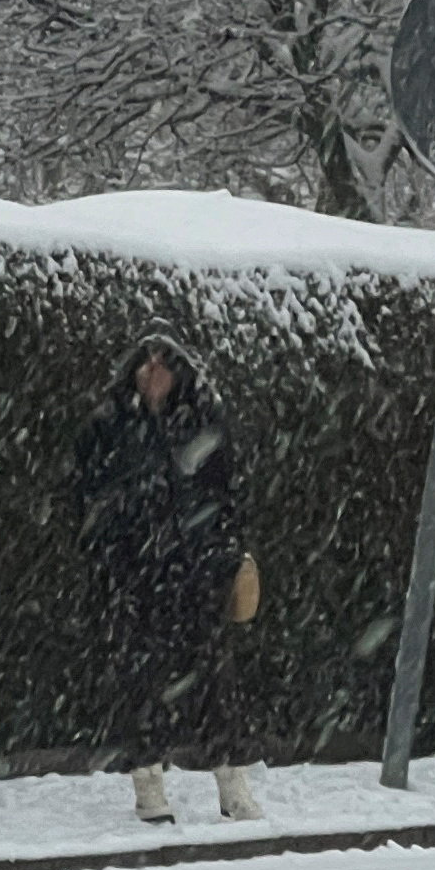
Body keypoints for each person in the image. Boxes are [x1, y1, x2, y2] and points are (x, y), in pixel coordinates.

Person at [71, 331, 262, 825]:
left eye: (162, 365)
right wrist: (113, 553)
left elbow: (226, 494)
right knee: (142, 681)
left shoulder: (202, 422)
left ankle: (232, 784)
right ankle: (149, 786)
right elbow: (87, 493)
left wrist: (219, 554)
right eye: (145, 365)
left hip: (197, 572)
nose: (152, 374)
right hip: (136, 576)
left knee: (216, 680)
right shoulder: (113, 425)